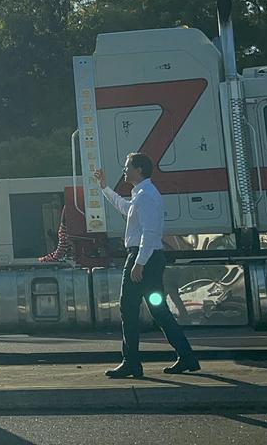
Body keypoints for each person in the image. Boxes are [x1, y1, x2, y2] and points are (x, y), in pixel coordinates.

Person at [93, 152, 200, 378]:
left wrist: (139, 263)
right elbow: (124, 207)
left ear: (139, 169)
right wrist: (104, 188)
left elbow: (150, 234)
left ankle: (131, 362)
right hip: (149, 257)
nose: (124, 170)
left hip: (143, 257)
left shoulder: (147, 196)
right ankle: (187, 356)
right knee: (158, 310)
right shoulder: (142, 195)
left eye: (127, 166)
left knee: (128, 309)